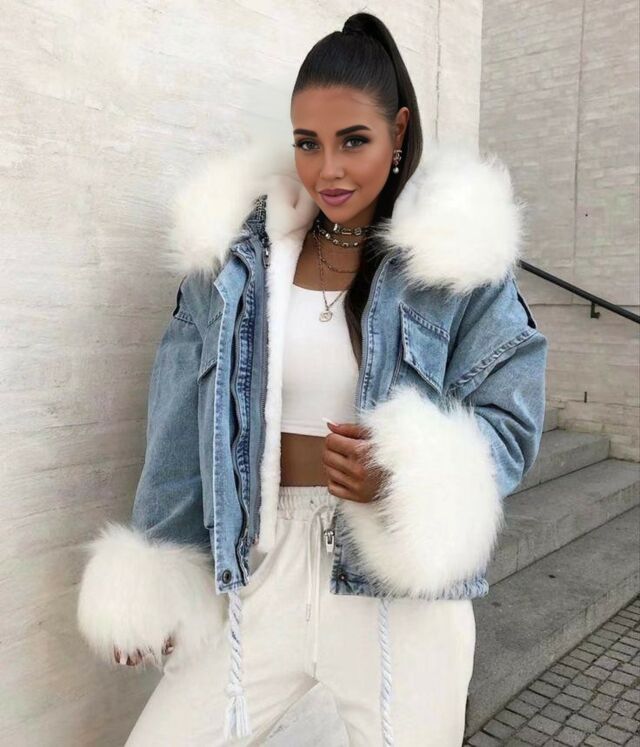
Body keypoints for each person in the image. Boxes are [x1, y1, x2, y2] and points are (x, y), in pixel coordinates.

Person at [76, 12, 548, 747]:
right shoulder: (237, 261)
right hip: (261, 564)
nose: (328, 169)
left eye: (353, 140)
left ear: (397, 131)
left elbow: (510, 417)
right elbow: (177, 421)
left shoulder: (457, 264)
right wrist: (157, 573)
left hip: (396, 592)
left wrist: (405, 474)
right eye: (308, 142)